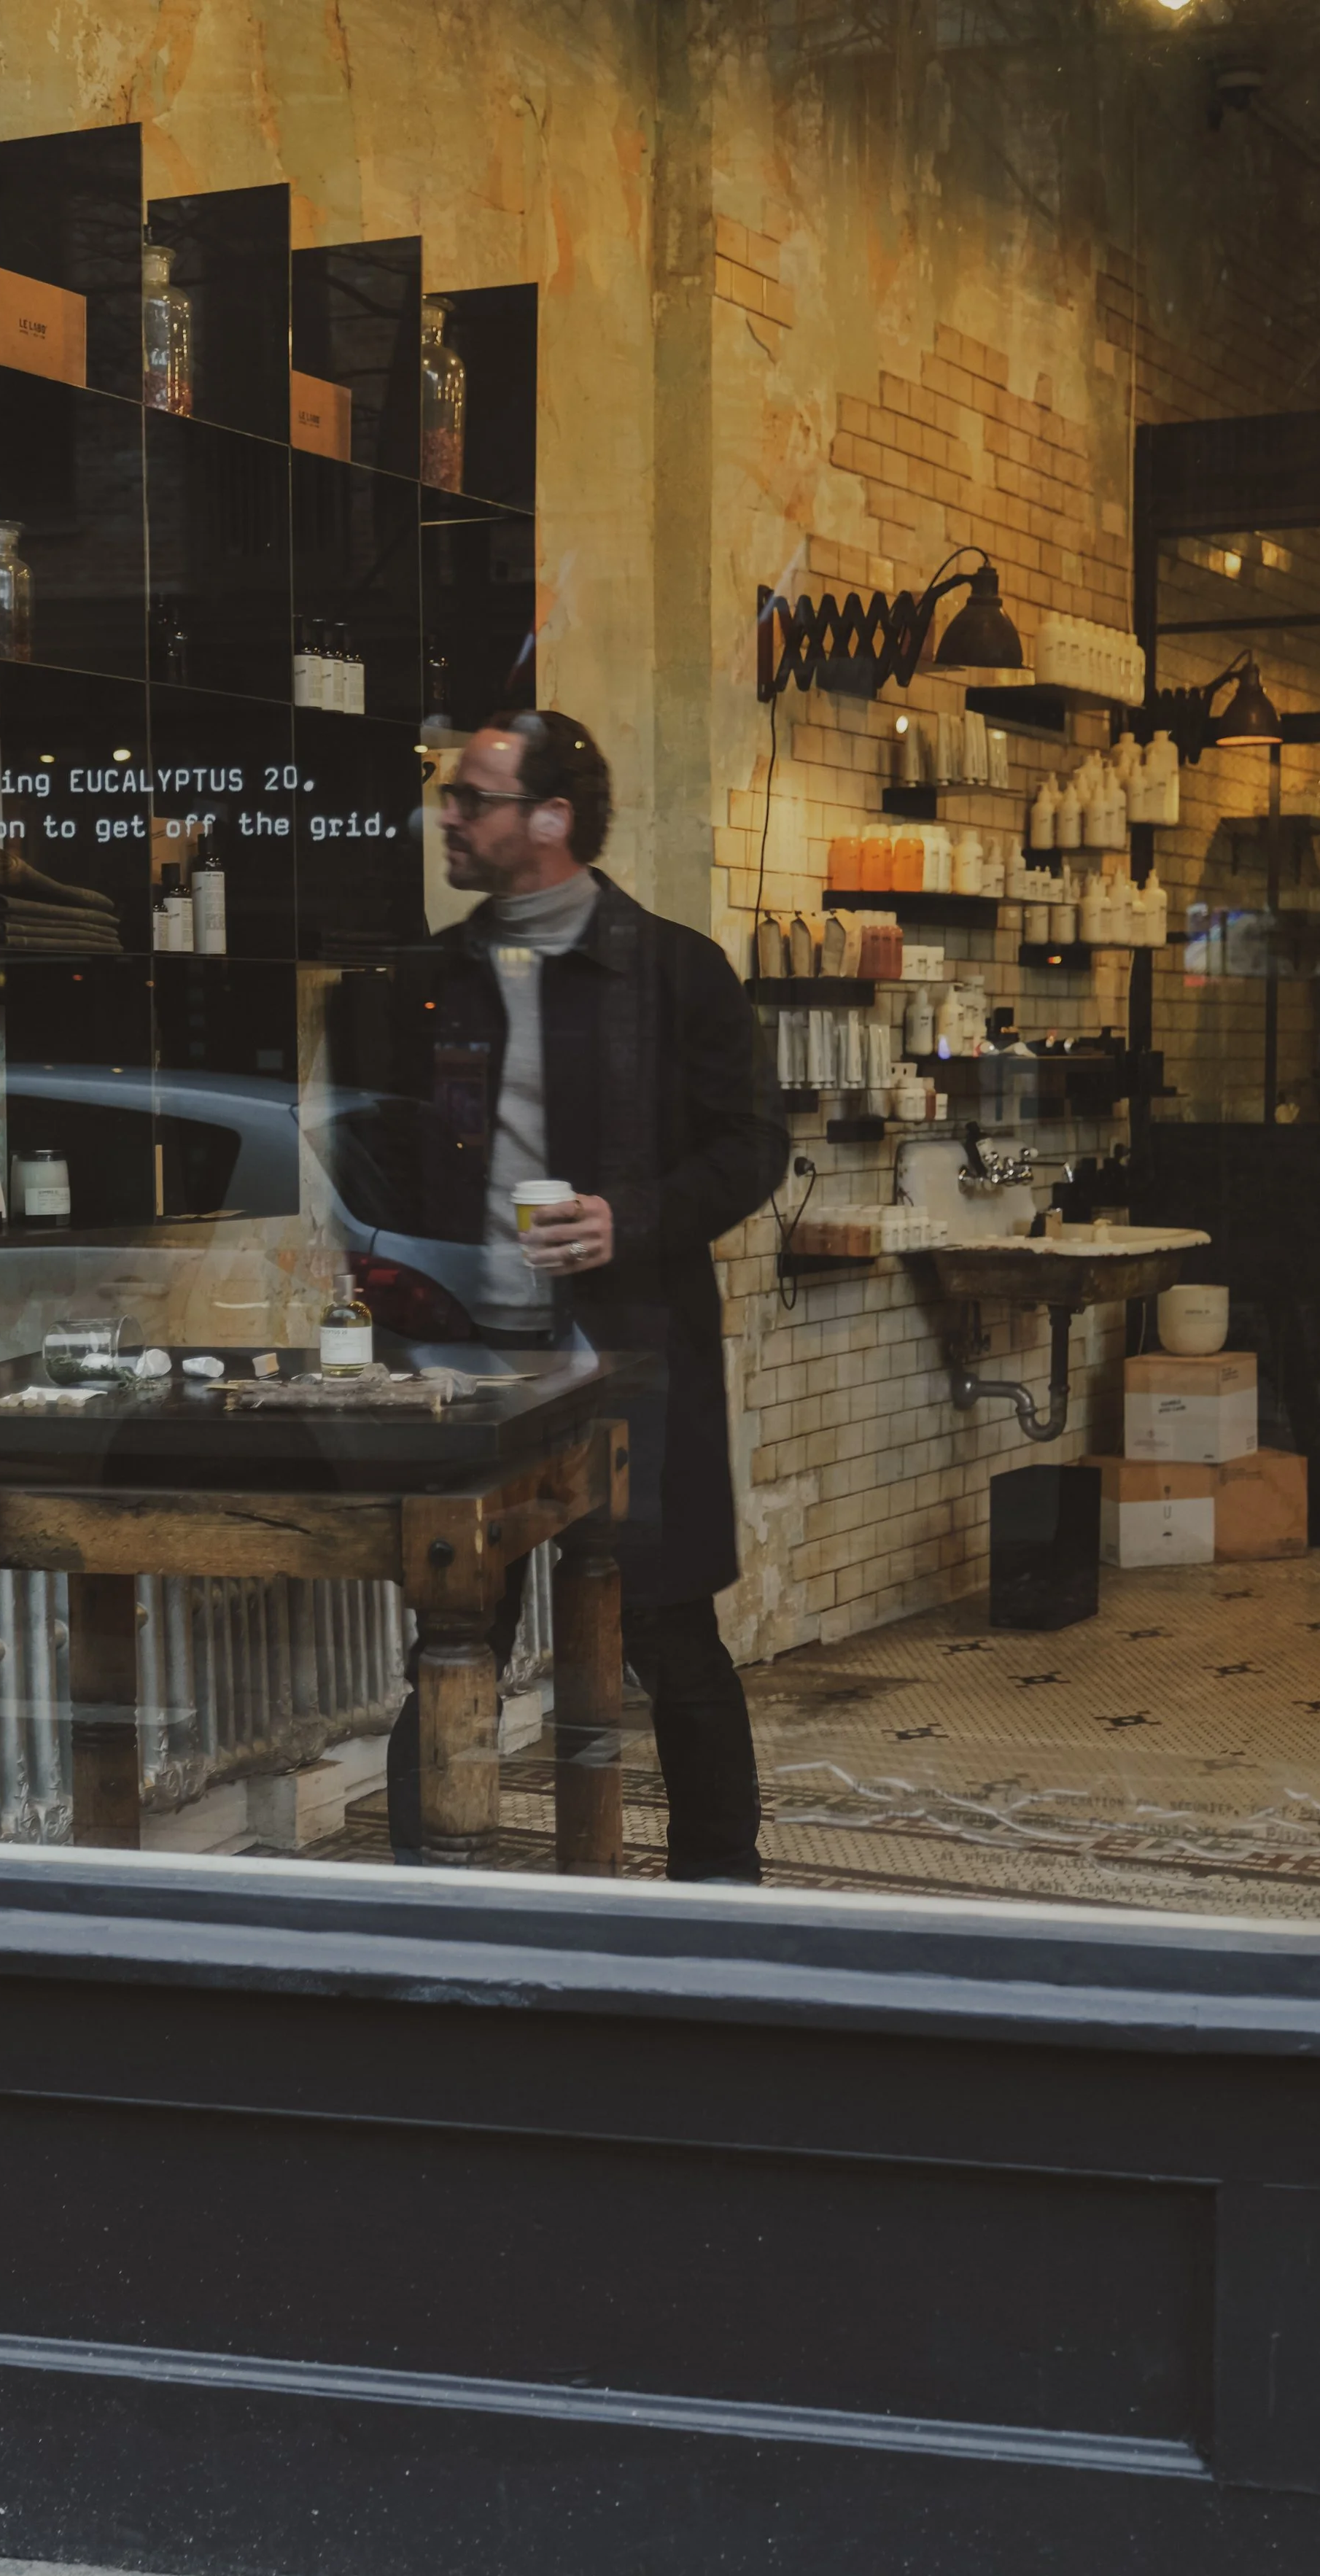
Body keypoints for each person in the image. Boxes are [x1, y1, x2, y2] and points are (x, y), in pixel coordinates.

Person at [332, 710, 788, 1882]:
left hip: (629, 1361)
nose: (447, 816)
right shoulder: (425, 982)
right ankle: (429, 1898)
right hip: (463, 1373)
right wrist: (374, 1255)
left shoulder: (677, 972)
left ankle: (719, 1904)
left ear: (551, 818)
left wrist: (624, 1218)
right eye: (447, 795)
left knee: (670, 1633)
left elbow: (751, 1150)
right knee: (456, 1639)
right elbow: (373, 1150)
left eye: (471, 798)